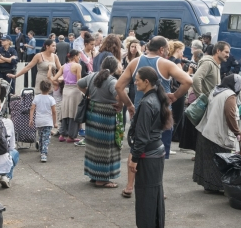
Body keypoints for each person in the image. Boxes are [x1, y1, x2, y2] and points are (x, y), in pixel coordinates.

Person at [116, 36, 192, 198]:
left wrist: (129, 105)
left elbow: (119, 86)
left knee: (136, 147)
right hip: (162, 116)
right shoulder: (167, 64)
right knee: (159, 151)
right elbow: (187, 81)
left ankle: (130, 186)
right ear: (162, 50)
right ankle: (157, 186)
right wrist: (175, 96)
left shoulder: (135, 62)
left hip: (140, 112)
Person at [125, 66, 173, 228]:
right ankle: (154, 227)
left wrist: (134, 159)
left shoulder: (147, 103)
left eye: (137, 79)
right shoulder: (158, 98)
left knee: (145, 193)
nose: (135, 81)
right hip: (157, 151)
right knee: (155, 190)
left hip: (148, 154)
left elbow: (142, 136)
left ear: (146, 82)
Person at [193, 74, 241, 193]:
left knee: (207, 161)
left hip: (206, 131)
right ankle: (216, 187)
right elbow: (230, 115)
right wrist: (237, 131)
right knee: (219, 161)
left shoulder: (216, 90)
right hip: (217, 133)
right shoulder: (229, 95)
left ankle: (209, 185)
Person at [78, 56, 122, 186]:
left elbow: (79, 83)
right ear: (114, 67)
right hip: (106, 117)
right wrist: (121, 104)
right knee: (105, 147)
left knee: (93, 146)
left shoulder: (93, 76)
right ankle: (102, 179)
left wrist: (89, 94)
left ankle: (94, 174)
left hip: (92, 114)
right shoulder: (112, 81)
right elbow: (119, 95)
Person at [52, 50, 83, 143]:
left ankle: (62, 134)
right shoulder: (78, 66)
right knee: (74, 113)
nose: (79, 58)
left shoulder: (63, 66)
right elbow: (79, 81)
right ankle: (71, 136)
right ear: (74, 57)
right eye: (78, 56)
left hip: (65, 90)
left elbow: (54, 78)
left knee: (65, 111)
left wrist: (63, 79)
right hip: (75, 90)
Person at [29, 79, 57, 162]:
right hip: (47, 121)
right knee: (46, 138)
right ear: (50, 88)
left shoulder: (36, 98)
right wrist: (54, 122)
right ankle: (44, 154)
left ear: (40, 88)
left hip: (39, 121)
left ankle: (41, 150)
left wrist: (31, 119)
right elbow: (54, 112)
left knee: (41, 136)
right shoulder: (51, 99)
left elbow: (32, 108)